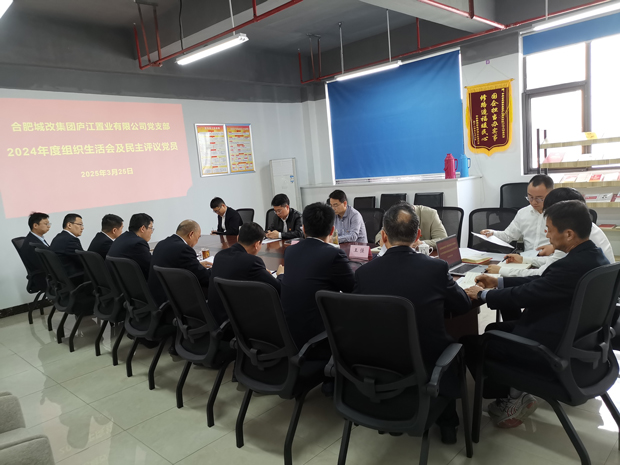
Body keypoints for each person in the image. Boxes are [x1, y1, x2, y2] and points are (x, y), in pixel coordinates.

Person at [464, 200, 609, 428]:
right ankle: (513, 392)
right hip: (577, 341)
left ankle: (513, 399)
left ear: (568, 234)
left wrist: (483, 295)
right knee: (493, 329)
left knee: (471, 344)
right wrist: (498, 282)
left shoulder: (569, 266)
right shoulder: (595, 257)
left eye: (549, 229)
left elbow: (529, 293)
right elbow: (543, 282)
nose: (547, 235)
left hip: (547, 348)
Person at [354, 203, 471, 444]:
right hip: (427, 363)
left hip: (380, 363)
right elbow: (462, 306)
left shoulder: (364, 273)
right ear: (418, 236)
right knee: (449, 345)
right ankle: (448, 423)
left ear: (383, 236)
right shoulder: (436, 268)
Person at [488, 187, 615, 278]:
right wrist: (524, 259)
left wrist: (502, 271)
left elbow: (545, 272)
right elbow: (554, 262)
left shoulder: (572, 236)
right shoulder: (584, 229)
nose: (547, 233)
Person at [280, 202, 355, 349]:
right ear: (332, 230)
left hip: (290, 333)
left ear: (303, 229)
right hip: (319, 337)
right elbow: (352, 289)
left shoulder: (290, 251)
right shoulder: (334, 254)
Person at [208, 222, 283, 324]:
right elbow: (278, 288)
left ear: (238, 238)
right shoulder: (252, 262)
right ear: (257, 244)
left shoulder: (220, 255)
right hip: (238, 322)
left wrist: (261, 271)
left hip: (216, 318)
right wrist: (280, 274)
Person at [481, 174, 554, 253]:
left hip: (552, 258)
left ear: (551, 195)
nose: (533, 202)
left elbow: (564, 245)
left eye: (539, 199)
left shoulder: (559, 214)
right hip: (528, 258)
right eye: (530, 197)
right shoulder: (523, 213)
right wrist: (493, 233)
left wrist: (553, 248)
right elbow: (508, 236)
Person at [148, 219, 211, 307]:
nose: (197, 241)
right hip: (171, 300)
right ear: (191, 234)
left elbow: (177, 265)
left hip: (156, 296)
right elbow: (205, 277)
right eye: (198, 237)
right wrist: (217, 268)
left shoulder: (162, 243)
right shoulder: (184, 249)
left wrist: (197, 265)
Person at [374, 204, 448, 249]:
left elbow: (443, 240)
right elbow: (379, 236)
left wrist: (422, 243)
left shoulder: (430, 213)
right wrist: (383, 241)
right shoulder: (395, 216)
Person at [108, 213, 154, 279]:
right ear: (143, 228)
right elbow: (151, 266)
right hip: (134, 283)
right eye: (151, 228)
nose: (152, 232)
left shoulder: (121, 238)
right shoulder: (138, 243)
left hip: (117, 282)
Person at [20, 212, 52, 290]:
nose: (49, 226)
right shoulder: (31, 243)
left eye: (49, 224)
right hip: (44, 278)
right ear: (35, 226)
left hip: (47, 275)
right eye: (46, 224)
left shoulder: (37, 239)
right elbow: (42, 265)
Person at [50, 213, 86, 280]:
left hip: (63, 277)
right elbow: (83, 260)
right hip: (73, 277)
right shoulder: (70, 240)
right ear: (69, 225)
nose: (82, 228)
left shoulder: (59, 237)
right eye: (80, 224)